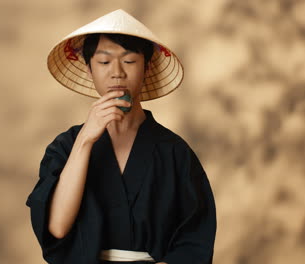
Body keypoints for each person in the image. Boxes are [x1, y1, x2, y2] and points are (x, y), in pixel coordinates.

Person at [26, 9, 216, 264]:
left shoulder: (174, 151)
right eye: (104, 62)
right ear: (89, 69)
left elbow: (195, 238)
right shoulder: (66, 146)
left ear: (147, 67)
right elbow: (57, 228)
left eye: (129, 61)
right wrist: (86, 140)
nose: (117, 72)